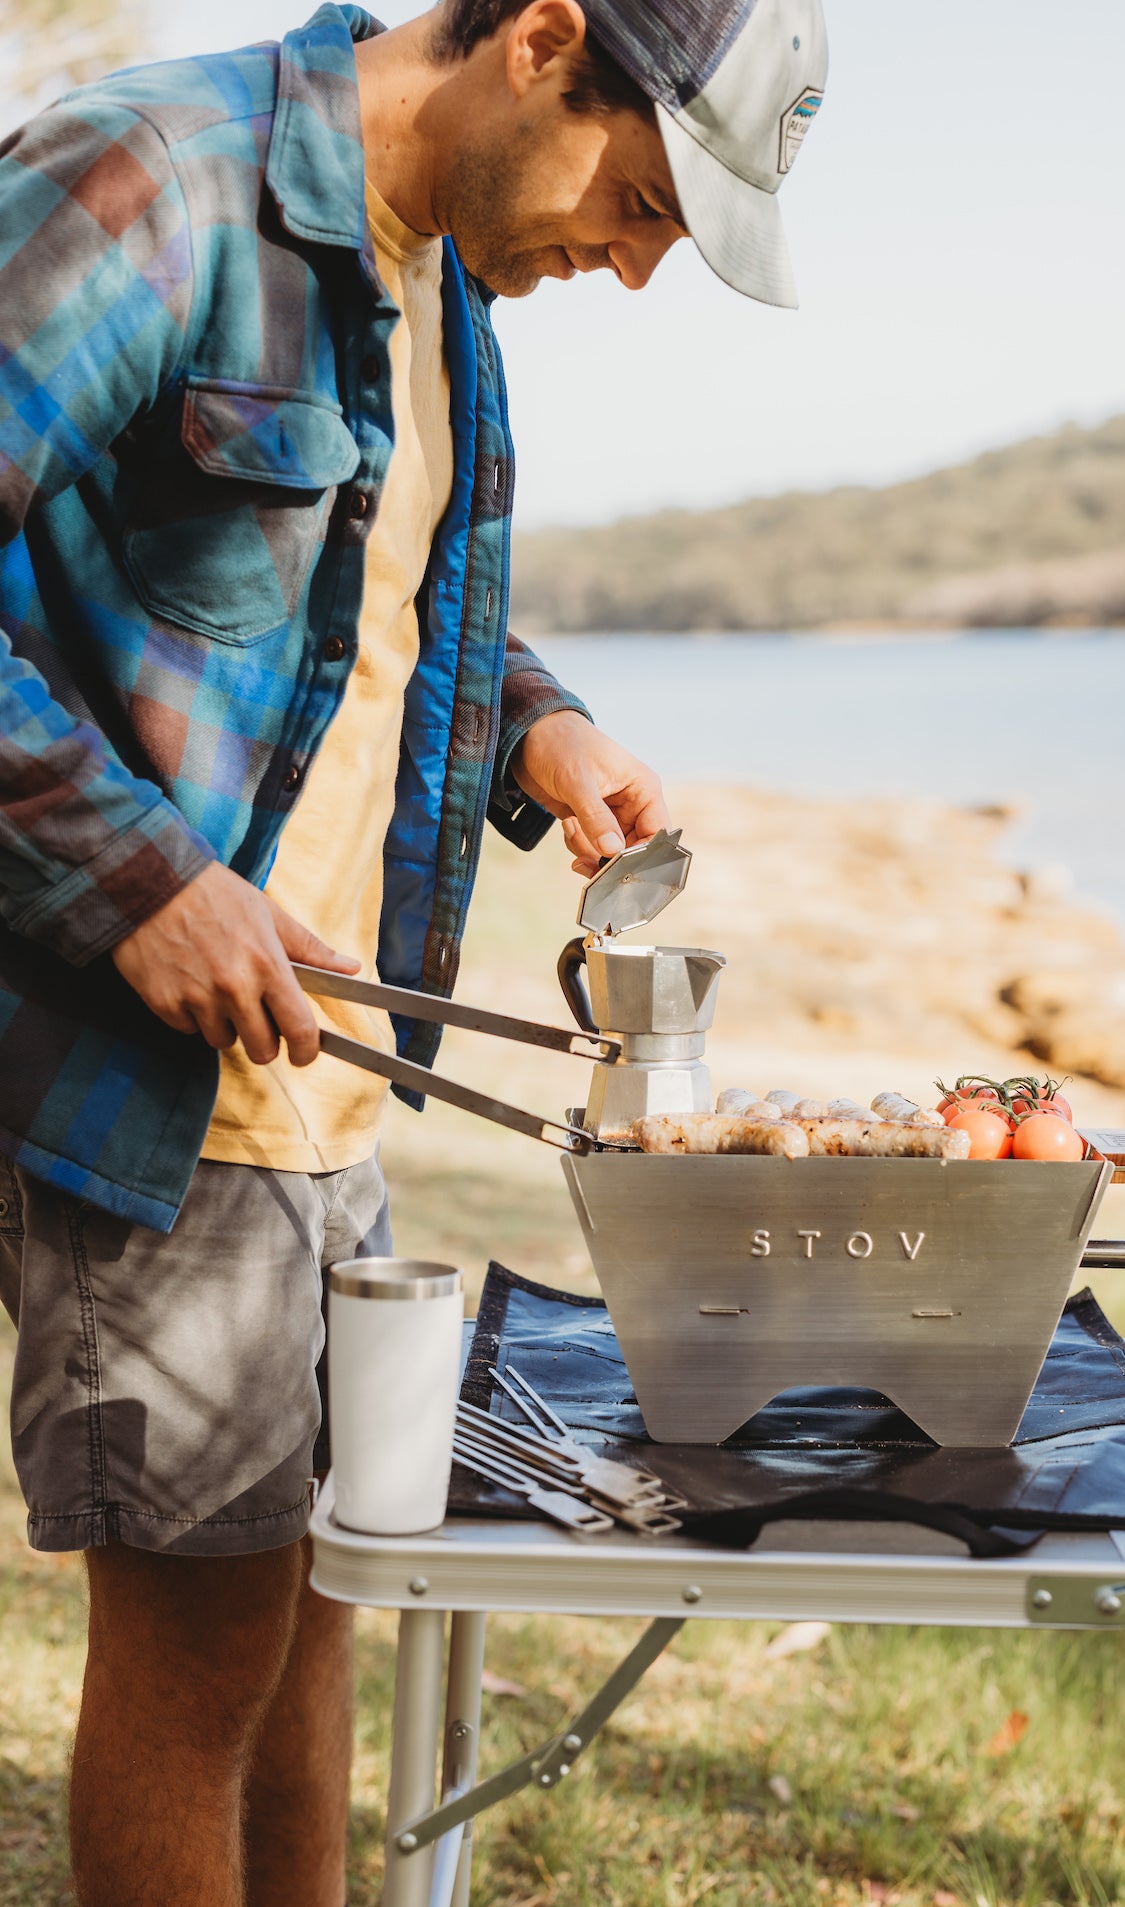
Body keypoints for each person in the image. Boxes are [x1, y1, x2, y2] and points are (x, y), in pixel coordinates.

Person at [0, 0, 828, 1899]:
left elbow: (341, 582)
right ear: (542, 41)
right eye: (634, 202)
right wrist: (143, 884)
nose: (624, 267)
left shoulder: (441, 268)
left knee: (308, 1626)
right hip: (149, 1090)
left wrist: (532, 723)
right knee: (198, 1653)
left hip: (328, 1078)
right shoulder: (149, 181)